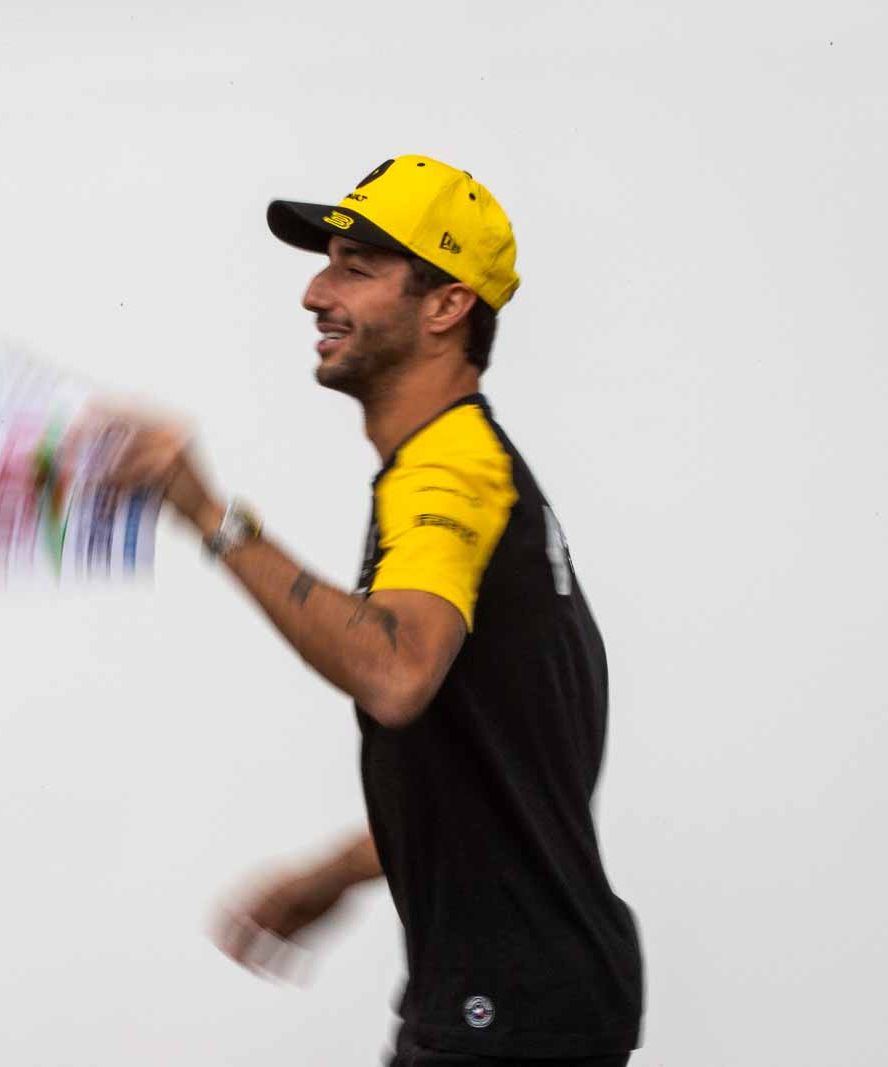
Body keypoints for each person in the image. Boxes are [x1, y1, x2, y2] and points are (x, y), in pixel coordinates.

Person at [99, 155, 643, 1066]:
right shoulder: (458, 469)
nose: (316, 291)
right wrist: (340, 871)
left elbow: (394, 672)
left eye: (355, 266)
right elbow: (510, 763)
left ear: (445, 305)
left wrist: (206, 510)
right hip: (520, 1002)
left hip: (505, 1018)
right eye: (326, 263)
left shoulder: (451, 470)